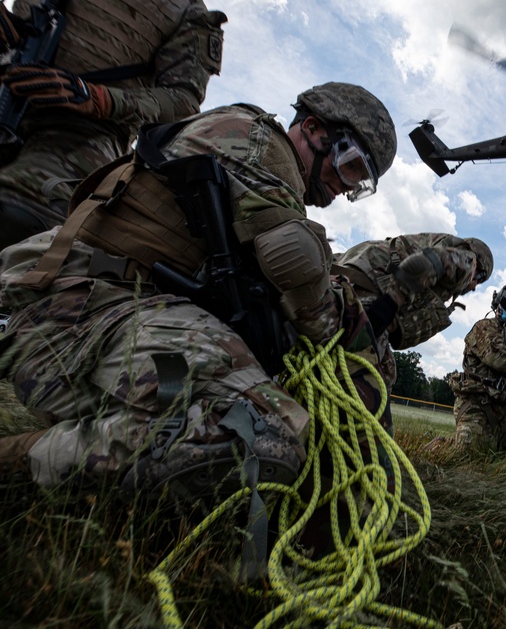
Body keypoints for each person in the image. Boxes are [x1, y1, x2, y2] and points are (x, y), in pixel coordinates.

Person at [0, 81, 409, 510]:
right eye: (350, 168)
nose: (346, 188)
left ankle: (116, 431)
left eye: (361, 184)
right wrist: (357, 325)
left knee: (203, 405)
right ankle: (17, 465)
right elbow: (307, 293)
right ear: (312, 129)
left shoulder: (256, 167)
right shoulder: (259, 146)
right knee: (261, 434)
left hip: (111, 324)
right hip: (73, 318)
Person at [0, 0, 227, 249]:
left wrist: (100, 99)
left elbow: (183, 100)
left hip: (84, 134)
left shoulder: (190, 11)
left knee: (24, 216)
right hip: (8, 88)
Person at [331, 232, 493, 389]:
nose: (473, 289)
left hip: (341, 279)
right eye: (478, 283)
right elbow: (423, 264)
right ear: (479, 272)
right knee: (381, 374)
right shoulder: (468, 261)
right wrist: (388, 304)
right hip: (366, 293)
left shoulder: (423, 242)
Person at [446, 282, 506, 461]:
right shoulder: (484, 327)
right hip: (477, 408)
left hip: (504, 416)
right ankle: (441, 445)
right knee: (465, 461)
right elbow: (502, 360)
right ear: (498, 303)